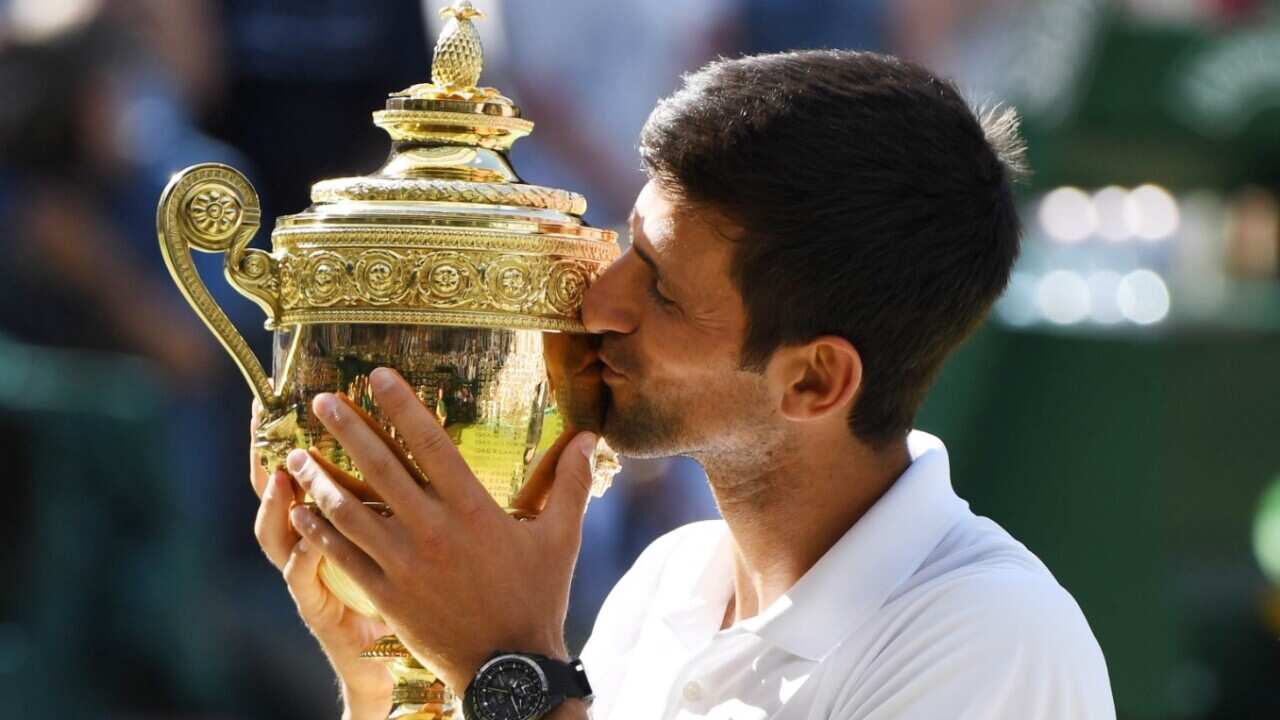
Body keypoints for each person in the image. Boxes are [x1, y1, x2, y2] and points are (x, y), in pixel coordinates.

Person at [251, 50, 1115, 719]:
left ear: (815, 381)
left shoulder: (992, 636)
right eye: (629, 244)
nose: (597, 302)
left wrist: (507, 664)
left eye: (660, 288)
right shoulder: (668, 585)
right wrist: (393, 673)